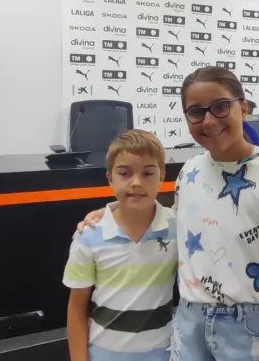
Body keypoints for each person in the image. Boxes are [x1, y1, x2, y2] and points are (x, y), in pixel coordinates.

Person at [78, 66, 259, 361]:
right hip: (189, 320)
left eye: (220, 107)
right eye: (196, 112)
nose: (208, 120)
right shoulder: (190, 171)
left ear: (243, 108)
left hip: (248, 328)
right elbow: (178, 223)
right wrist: (111, 212)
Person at [64, 129, 177, 361]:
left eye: (148, 173)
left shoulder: (178, 229)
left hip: (163, 354)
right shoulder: (89, 237)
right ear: (110, 178)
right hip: (103, 355)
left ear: (162, 176)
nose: (136, 182)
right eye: (125, 173)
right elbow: (76, 308)